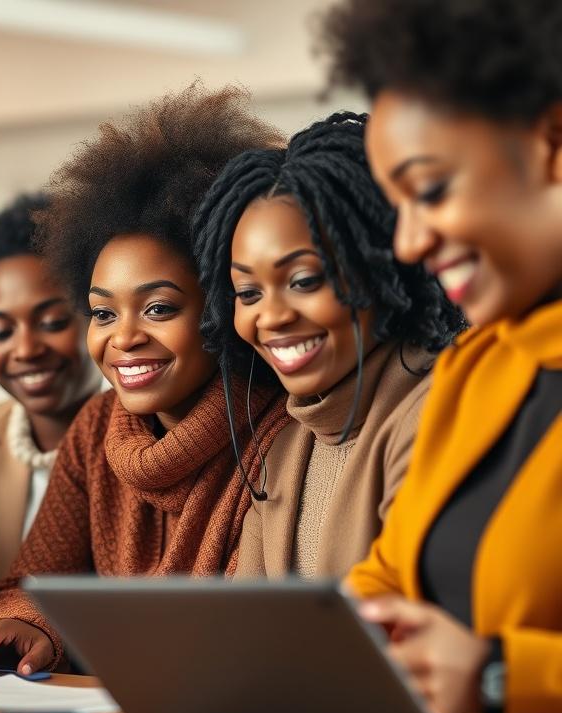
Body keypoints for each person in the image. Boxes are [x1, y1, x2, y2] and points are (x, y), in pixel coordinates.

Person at [0, 84, 292, 674]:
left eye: (159, 308)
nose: (123, 338)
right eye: (103, 313)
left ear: (218, 307)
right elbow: (31, 583)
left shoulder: (280, 428)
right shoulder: (97, 429)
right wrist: (25, 625)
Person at [320, 0, 562, 713]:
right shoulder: (476, 366)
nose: (408, 243)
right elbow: (392, 571)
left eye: (430, 191)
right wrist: (336, 631)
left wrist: (498, 676)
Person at [192, 113, 463, 579]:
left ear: (383, 269)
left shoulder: (442, 409)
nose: (272, 317)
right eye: (248, 293)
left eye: (304, 280)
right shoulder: (284, 448)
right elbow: (251, 627)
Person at [0, 192, 102, 637]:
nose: (25, 350)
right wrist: (14, 630)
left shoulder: (144, 442)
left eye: (52, 322)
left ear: (98, 316)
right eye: (1, 331)